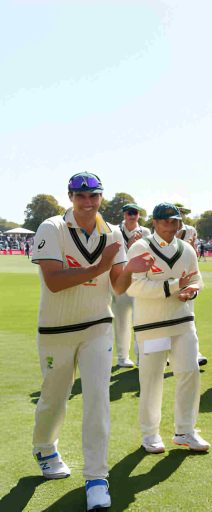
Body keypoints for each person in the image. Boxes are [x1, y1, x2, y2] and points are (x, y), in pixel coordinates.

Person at [31, 172, 152, 511]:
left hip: (98, 326)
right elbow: (54, 281)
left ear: (101, 197)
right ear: (70, 197)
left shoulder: (112, 233)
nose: (87, 203)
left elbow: (117, 286)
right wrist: (101, 264)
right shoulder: (51, 228)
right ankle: (44, 446)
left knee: (98, 399)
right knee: (54, 398)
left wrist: (133, 270)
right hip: (56, 330)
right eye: (80, 196)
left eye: (93, 196)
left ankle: (97, 478)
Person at [125, 202, 210, 454]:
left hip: (183, 323)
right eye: (166, 221)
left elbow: (196, 279)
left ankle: (185, 431)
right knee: (151, 381)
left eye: (175, 222)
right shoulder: (140, 248)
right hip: (152, 327)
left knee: (189, 373)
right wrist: (174, 286)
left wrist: (191, 291)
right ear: (155, 222)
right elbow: (134, 287)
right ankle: (150, 434)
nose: (171, 227)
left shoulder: (186, 250)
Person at [112, 203, 151, 367]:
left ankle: (141, 357)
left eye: (135, 213)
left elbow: (149, 255)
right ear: (124, 214)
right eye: (129, 212)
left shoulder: (146, 232)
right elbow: (113, 256)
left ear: (139, 215)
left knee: (140, 321)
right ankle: (122, 357)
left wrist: (137, 246)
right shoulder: (115, 231)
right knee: (121, 321)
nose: (132, 215)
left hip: (139, 282)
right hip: (120, 281)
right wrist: (129, 246)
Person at [174, 204, 208, 367]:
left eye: (181, 213)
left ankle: (195, 353)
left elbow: (192, 253)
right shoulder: (164, 229)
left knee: (190, 316)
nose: (179, 216)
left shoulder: (191, 230)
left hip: (188, 277)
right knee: (170, 316)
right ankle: (167, 354)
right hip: (170, 278)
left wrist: (192, 248)